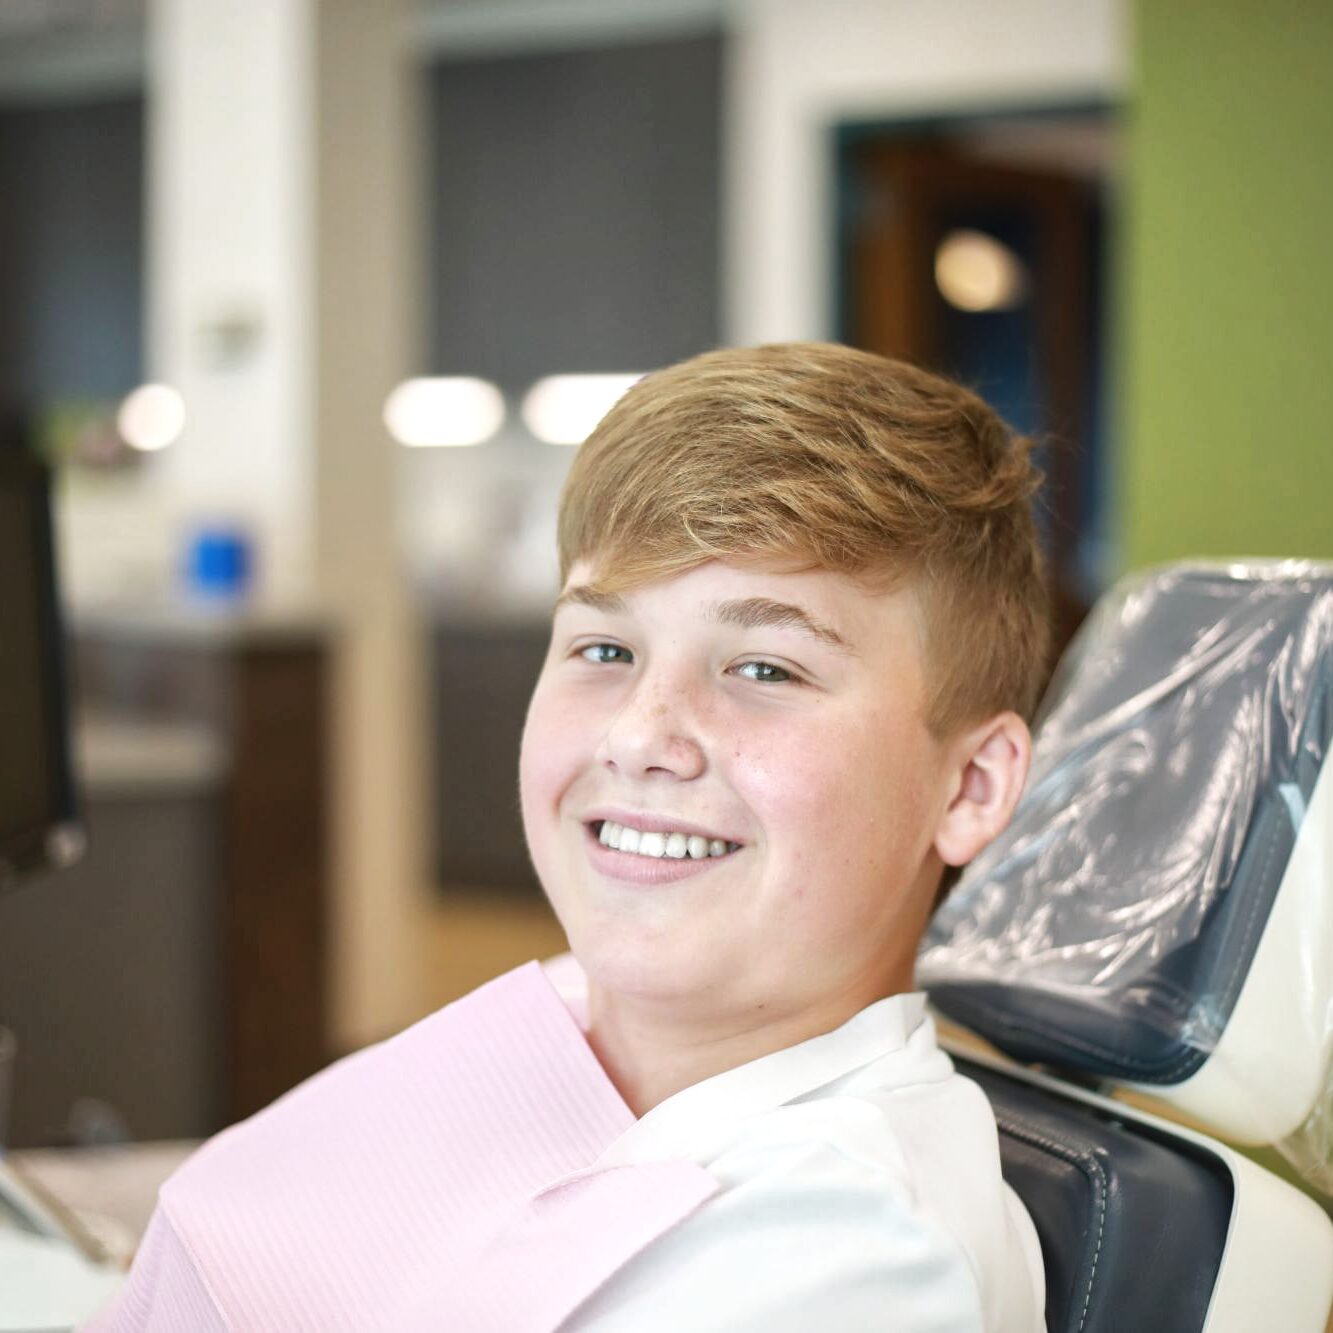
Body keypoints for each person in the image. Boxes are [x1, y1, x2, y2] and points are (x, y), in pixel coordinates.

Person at [87, 343, 1048, 1332]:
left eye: (765, 669)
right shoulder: (558, 1027)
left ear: (969, 785)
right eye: (603, 648)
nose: (640, 735)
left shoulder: (857, 1256)